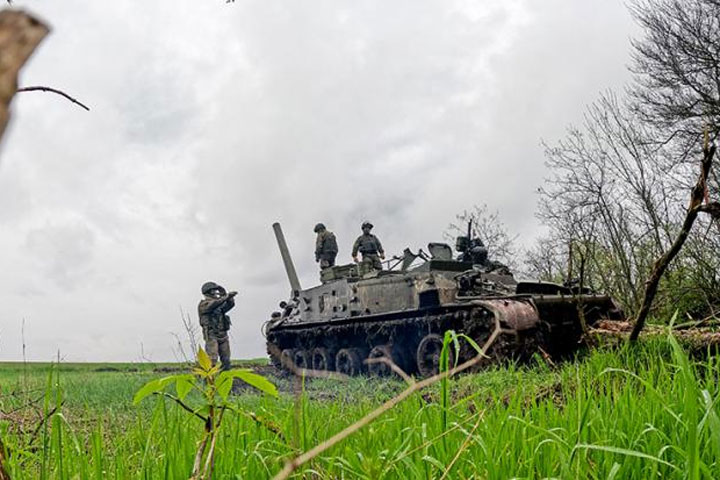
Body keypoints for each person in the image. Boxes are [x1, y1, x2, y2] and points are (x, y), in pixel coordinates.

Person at [197, 281, 237, 371]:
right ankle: (208, 380)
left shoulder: (219, 304)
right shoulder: (203, 304)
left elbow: (230, 305)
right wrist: (225, 297)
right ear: (208, 292)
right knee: (212, 359)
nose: (216, 293)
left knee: (226, 359)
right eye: (213, 291)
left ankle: (225, 379)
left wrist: (226, 295)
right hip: (211, 335)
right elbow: (213, 305)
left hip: (223, 334)